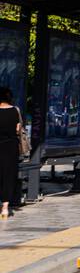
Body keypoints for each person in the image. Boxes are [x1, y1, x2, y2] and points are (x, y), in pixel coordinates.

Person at [0, 85, 21, 220]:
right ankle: (5, 209)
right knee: (8, 175)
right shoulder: (15, 111)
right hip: (11, 147)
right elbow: (18, 129)